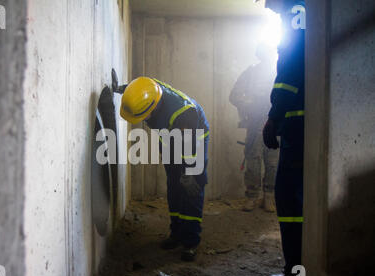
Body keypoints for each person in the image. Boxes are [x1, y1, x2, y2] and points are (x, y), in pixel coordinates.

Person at [118, 77, 210, 262]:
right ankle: (176, 234)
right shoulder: (150, 90)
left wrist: (189, 174)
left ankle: (190, 242)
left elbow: (190, 149)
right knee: (174, 188)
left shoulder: (185, 113)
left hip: (193, 145)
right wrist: (121, 89)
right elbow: (138, 90)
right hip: (170, 142)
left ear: (153, 108)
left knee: (191, 191)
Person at [260, 0, 306, 276]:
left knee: (290, 200)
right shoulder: (302, 14)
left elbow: (289, 72)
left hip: (298, 129)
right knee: (294, 202)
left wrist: (274, 117)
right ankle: (297, 275)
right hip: (299, 128)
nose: (267, 6)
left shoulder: (297, 14)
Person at [229, 43, 279, 212]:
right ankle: (252, 196)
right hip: (255, 122)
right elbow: (234, 95)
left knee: (273, 163)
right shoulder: (250, 73)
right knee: (253, 161)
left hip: (275, 123)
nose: (267, 57)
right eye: (264, 54)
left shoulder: (280, 72)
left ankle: (269, 197)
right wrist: (250, 106)